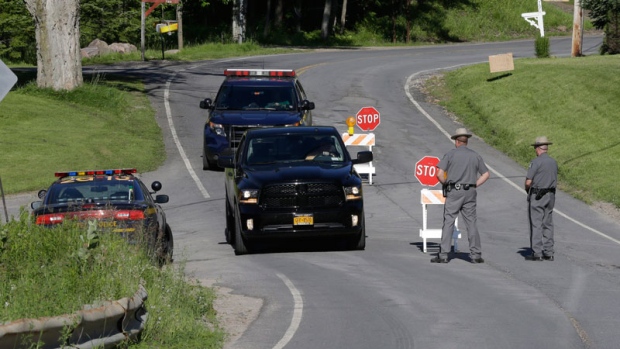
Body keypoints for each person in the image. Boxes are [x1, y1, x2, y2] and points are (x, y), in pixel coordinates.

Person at [431, 128, 490, 264]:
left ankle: (444, 254)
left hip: (454, 191)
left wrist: (446, 184)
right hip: (470, 192)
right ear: (466, 141)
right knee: (471, 223)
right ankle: (475, 255)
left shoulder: (450, 155)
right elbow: (486, 174)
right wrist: (474, 184)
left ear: (457, 141)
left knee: (449, 221)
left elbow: (439, 174)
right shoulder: (475, 155)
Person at [524, 136, 558, 261]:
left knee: (536, 223)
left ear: (538, 148)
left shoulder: (536, 162)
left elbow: (528, 182)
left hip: (538, 195)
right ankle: (549, 252)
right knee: (548, 222)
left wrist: (528, 191)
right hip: (551, 195)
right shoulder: (553, 162)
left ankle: (537, 252)